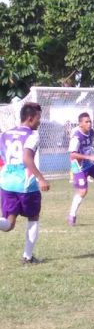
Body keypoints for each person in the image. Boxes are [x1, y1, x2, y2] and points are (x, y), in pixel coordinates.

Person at [0, 102, 51, 264]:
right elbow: (26, 158)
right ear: (30, 119)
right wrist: (41, 178)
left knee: (9, 224)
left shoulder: (5, 134)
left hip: (6, 183)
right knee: (33, 217)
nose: (39, 121)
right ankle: (27, 257)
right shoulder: (32, 135)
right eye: (38, 118)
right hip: (25, 184)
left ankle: (28, 257)